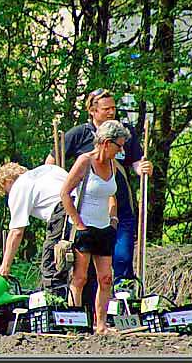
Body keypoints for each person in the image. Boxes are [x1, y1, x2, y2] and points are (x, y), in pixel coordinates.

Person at [45, 88, 153, 285]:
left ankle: (121, 305)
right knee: (84, 273)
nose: (111, 112)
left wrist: (143, 167)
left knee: (122, 259)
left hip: (120, 208)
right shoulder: (80, 134)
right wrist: (64, 192)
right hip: (87, 212)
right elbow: (51, 162)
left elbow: (136, 162)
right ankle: (86, 310)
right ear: (93, 111)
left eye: (113, 108)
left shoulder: (123, 134)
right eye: (106, 109)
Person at [60, 120, 131, 335]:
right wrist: (78, 223)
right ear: (106, 143)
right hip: (85, 227)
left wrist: (113, 218)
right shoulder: (85, 161)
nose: (121, 150)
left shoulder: (113, 165)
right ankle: (76, 323)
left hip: (104, 229)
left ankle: (100, 324)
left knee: (106, 278)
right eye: (118, 145)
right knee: (80, 278)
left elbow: (112, 194)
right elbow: (65, 193)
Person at [0, 162, 70, 297]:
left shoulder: (18, 187)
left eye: (6, 191)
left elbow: (16, 232)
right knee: (81, 267)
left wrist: (5, 267)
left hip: (61, 214)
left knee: (51, 266)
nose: (8, 194)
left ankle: (56, 308)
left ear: (8, 181)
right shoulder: (50, 169)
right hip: (84, 210)